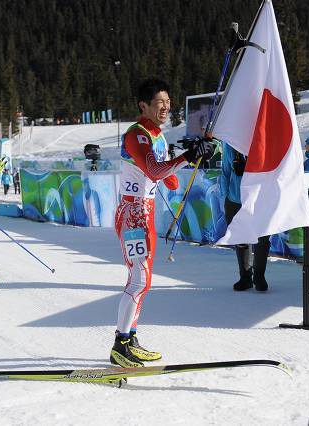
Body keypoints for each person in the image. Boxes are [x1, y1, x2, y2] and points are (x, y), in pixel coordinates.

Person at [110, 78, 214, 367]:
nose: (166, 107)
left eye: (168, 102)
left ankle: (130, 338)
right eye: (160, 102)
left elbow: (167, 179)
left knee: (144, 281)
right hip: (132, 215)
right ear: (144, 105)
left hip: (147, 213)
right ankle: (120, 344)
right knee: (139, 280)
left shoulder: (158, 137)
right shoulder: (137, 134)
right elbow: (155, 171)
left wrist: (196, 155)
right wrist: (185, 157)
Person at [220, 143, 271, 292]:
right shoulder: (230, 144)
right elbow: (225, 171)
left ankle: (259, 277)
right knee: (241, 239)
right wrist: (225, 197)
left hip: (260, 199)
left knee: (263, 238)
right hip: (235, 200)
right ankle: (245, 277)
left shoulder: (262, 142)